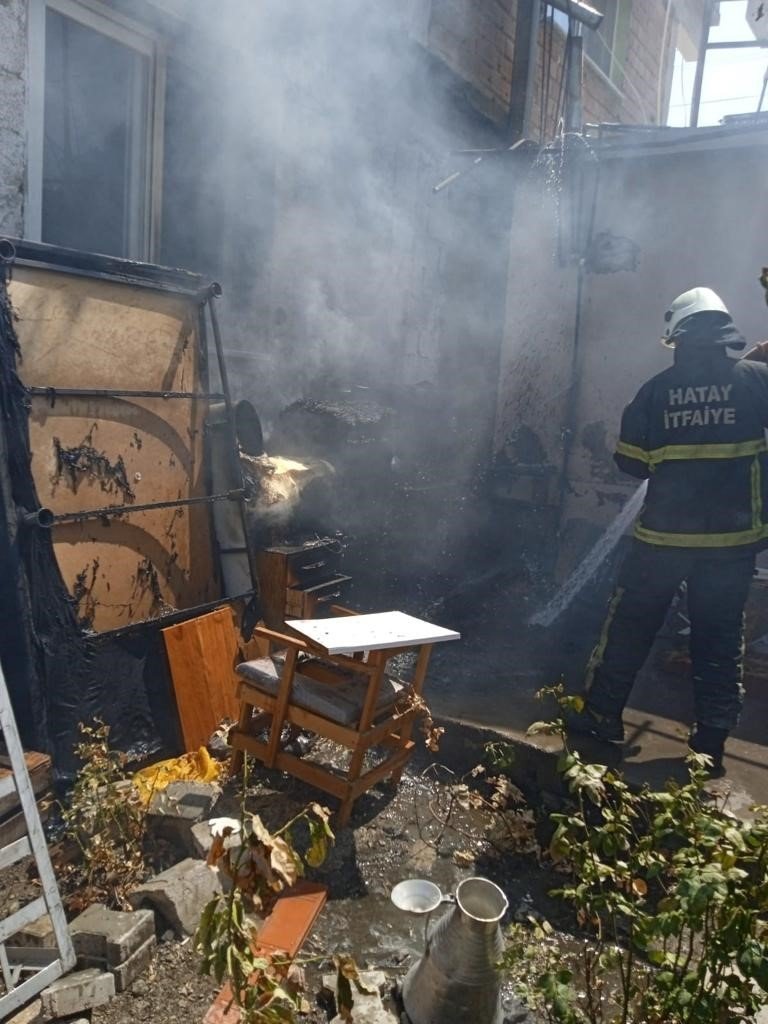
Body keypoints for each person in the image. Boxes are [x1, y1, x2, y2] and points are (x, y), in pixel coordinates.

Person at [565, 286, 768, 774]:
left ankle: (601, 719)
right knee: (719, 641)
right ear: (724, 335)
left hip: (662, 542)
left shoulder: (654, 392)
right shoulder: (756, 381)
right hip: (731, 544)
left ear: (677, 338)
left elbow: (632, 464)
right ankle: (710, 745)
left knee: (630, 628)